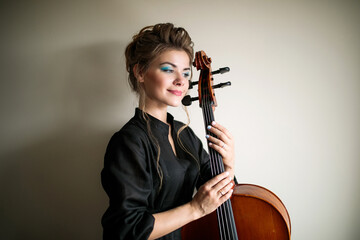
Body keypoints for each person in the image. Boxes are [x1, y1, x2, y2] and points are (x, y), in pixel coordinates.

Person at [101, 23, 235, 240]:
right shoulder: (128, 142)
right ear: (140, 72)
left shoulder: (185, 136)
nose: (181, 81)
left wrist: (228, 165)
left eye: (185, 72)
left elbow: (221, 200)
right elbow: (127, 230)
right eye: (168, 69)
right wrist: (196, 208)